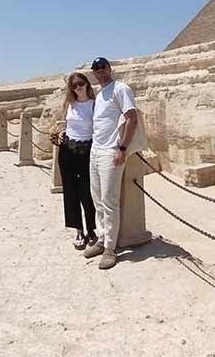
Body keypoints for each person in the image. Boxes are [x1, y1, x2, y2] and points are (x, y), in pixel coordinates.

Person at [82, 57, 138, 270]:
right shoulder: (99, 94)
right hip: (95, 152)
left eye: (103, 67)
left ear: (110, 68)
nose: (100, 71)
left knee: (109, 200)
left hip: (111, 152)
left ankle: (110, 249)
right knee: (97, 198)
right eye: (96, 68)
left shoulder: (120, 89)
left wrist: (122, 148)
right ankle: (102, 238)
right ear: (93, 73)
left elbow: (132, 118)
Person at [56, 72, 98, 250]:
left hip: (86, 151)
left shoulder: (95, 105)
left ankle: (92, 230)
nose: (78, 88)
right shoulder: (69, 103)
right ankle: (79, 230)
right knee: (70, 193)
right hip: (67, 151)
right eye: (74, 85)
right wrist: (60, 133)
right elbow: (63, 123)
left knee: (87, 193)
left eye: (81, 84)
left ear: (87, 84)